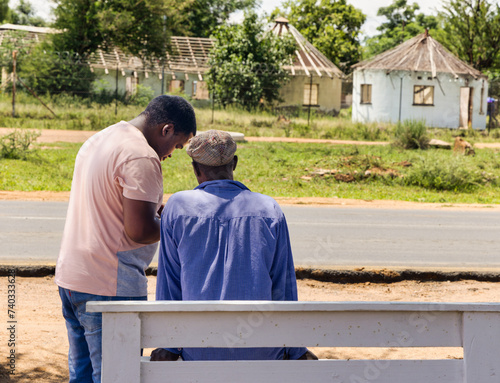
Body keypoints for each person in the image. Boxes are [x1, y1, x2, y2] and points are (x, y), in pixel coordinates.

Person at [55, 95, 196, 382]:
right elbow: (139, 231)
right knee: (118, 376)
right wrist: (178, 225)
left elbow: (112, 204)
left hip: (73, 278)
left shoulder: (102, 138)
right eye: (177, 145)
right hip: (110, 285)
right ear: (166, 129)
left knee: (82, 374)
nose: (171, 153)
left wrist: (155, 211)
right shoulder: (142, 155)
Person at [151, 130, 316, 362]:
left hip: (199, 350)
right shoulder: (269, 209)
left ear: (196, 169)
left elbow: (170, 284)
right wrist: (296, 349)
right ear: (234, 164)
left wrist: (168, 344)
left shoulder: (178, 208)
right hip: (261, 352)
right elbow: (283, 286)